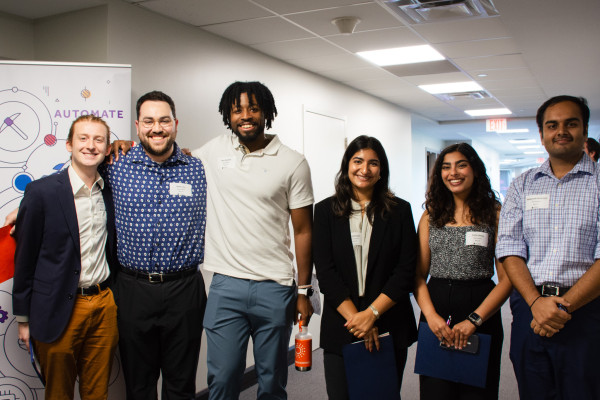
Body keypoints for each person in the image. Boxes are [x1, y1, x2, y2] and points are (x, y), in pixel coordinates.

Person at [192, 81, 314, 400]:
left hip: (274, 287)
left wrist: (304, 291)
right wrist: (127, 145)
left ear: (266, 113)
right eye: (237, 110)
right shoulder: (213, 152)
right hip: (226, 286)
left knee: (272, 382)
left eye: (253, 108)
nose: (245, 116)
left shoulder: (293, 162)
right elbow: (173, 156)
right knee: (222, 379)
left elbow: (303, 231)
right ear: (228, 116)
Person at [102, 91, 207, 399]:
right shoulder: (115, 163)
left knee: (181, 385)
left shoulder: (198, 168)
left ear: (175, 124)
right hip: (133, 290)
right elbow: (72, 181)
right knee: (139, 386)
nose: (156, 128)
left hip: (184, 290)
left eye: (163, 120)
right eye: (148, 121)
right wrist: (26, 207)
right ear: (137, 126)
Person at [496, 95, 600, 399]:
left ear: (584, 130)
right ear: (542, 135)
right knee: (533, 390)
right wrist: (535, 303)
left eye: (571, 123)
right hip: (530, 309)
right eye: (552, 125)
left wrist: (560, 307)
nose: (561, 131)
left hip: (585, 313)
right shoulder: (522, 184)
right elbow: (510, 248)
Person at [12, 115, 119, 399]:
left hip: (104, 304)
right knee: (58, 392)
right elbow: (25, 260)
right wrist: (23, 319)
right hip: (58, 306)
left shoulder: (111, 190)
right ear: (69, 144)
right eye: (83, 138)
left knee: (97, 392)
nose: (91, 145)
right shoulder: (41, 193)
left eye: (99, 140)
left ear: (108, 149)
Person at [313, 135, 418, 400]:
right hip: (342, 324)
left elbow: (405, 270)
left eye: (373, 163)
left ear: (381, 170)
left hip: (389, 321)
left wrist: (371, 314)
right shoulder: (325, 211)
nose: (364, 169)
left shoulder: (400, 211)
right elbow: (326, 272)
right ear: (347, 164)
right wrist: (358, 320)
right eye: (358, 161)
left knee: (382, 395)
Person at [415, 143, 511, 400]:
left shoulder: (495, 213)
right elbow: (418, 275)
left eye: (461, 165)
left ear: (475, 170)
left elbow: (506, 279)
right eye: (446, 167)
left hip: (481, 309)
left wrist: (474, 321)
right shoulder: (430, 215)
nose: (453, 173)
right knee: (436, 390)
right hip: (436, 310)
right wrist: (431, 316)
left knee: (477, 391)